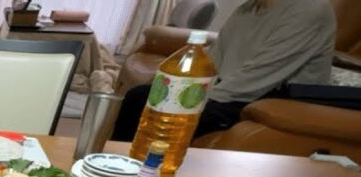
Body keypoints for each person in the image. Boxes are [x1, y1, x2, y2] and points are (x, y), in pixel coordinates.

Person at [113, 0, 336, 141]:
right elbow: (211, 61)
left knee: (173, 110)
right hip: (227, 92)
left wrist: (190, 99)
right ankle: (114, 171)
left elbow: (259, 76)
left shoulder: (310, 10)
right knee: (140, 96)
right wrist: (176, 86)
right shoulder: (246, 10)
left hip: (264, 101)